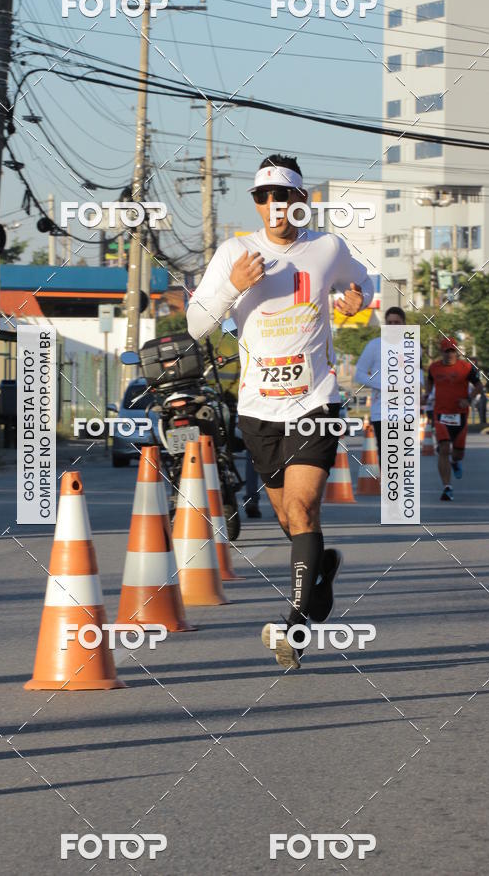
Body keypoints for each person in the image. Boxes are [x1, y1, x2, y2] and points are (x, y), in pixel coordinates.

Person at [187, 154, 374, 669]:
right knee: (287, 518)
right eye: (263, 198)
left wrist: (357, 298)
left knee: (304, 508)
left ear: (300, 201)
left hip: (315, 400)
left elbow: (364, 283)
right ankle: (319, 576)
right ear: (257, 204)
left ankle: (294, 627)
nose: (272, 206)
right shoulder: (235, 253)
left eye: (282, 196)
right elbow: (197, 324)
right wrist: (233, 287)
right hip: (257, 408)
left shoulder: (326, 248)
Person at [427, 337, 484, 501]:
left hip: (460, 415)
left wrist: (469, 398)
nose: (450, 354)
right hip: (440, 415)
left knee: (458, 454)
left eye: (453, 351)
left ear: (457, 352)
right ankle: (447, 486)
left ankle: (455, 462)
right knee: (444, 448)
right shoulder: (433, 368)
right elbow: (430, 381)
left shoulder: (466, 368)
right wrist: (427, 394)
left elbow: (479, 387)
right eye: (447, 351)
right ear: (441, 352)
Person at [354, 306, 406, 464]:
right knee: (387, 451)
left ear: (404, 324)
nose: (393, 326)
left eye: (397, 322)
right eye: (389, 322)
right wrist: (384, 385)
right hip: (381, 410)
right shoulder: (374, 345)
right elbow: (359, 374)